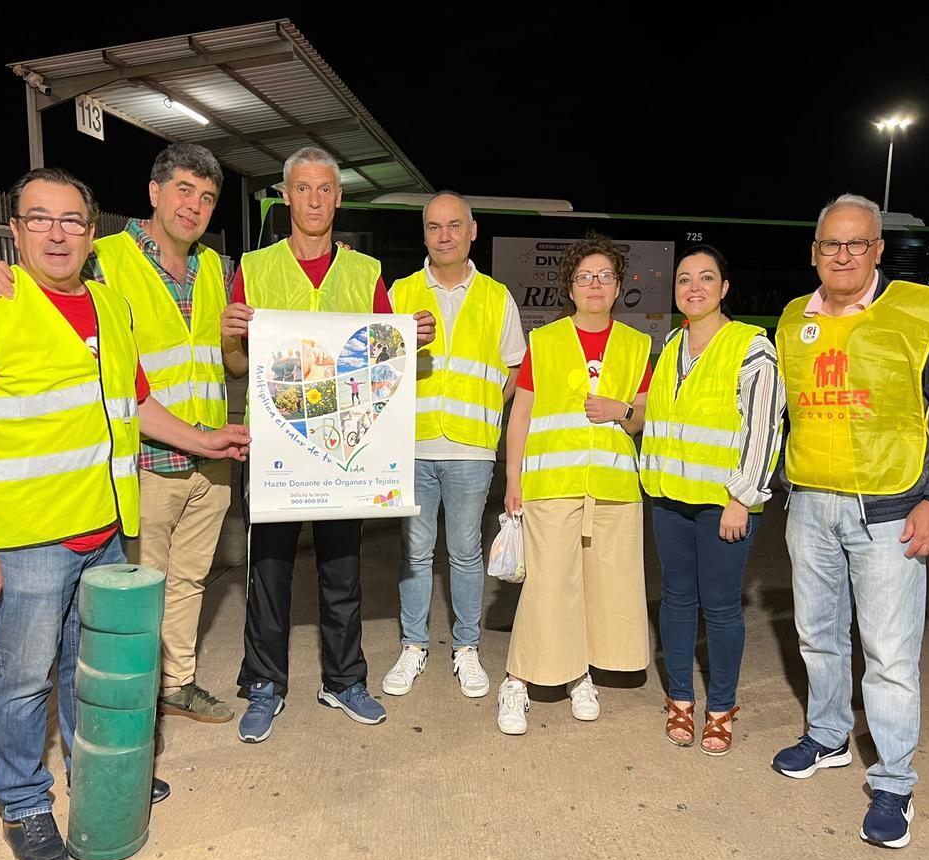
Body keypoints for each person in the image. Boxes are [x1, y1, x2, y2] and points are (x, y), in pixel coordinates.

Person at [0, 168, 249, 860]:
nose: (58, 233)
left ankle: (94, 779)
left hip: (104, 530)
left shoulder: (107, 305)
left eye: (72, 220)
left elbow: (137, 405)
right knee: (21, 679)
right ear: (15, 231)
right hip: (29, 539)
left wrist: (205, 439)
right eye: (40, 219)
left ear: (92, 233)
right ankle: (22, 800)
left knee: (89, 673)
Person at [0, 144, 239, 727]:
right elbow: (42, 286)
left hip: (208, 459)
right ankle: (129, 711)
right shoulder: (103, 256)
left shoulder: (215, 266)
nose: (194, 206)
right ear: (154, 193)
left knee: (189, 583)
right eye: (183, 190)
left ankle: (176, 683)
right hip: (140, 466)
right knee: (128, 608)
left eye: (207, 197)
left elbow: (225, 360)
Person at [771, 193, 929, 848]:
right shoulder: (790, 318)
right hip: (809, 504)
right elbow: (787, 412)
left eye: (855, 243)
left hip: (891, 512)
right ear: (814, 252)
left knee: (889, 655)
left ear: (877, 250)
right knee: (817, 634)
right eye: (830, 244)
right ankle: (829, 737)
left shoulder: (919, 316)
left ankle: (893, 781)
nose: (841, 255)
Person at [221, 146, 435, 742]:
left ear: (338, 198)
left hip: (347, 453)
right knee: (269, 571)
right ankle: (264, 684)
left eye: (324, 189)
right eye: (302, 189)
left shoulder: (367, 274)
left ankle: (343, 681)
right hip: (276, 449)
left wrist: (416, 337)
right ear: (285, 196)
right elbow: (238, 365)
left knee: (343, 570)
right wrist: (230, 337)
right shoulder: (254, 267)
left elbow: (388, 362)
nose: (313, 200)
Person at [497, 233, 652, 735]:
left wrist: (622, 410)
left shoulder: (636, 344)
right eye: (585, 276)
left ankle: (578, 675)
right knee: (547, 584)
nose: (594, 284)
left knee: (601, 586)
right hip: (552, 484)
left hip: (612, 490)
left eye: (604, 276)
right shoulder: (545, 341)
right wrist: (512, 478)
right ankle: (516, 681)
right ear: (570, 286)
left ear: (619, 286)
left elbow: (642, 417)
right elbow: (521, 413)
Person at [639, 245, 785, 755]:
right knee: (677, 599)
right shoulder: (672, 345)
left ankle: (721, 706)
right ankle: (680, 698)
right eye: (683, 279)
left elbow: (765, 428)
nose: (693, 287)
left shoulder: (751, 348)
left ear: (725, 288)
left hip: (724, 503)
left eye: (706, 278)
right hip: (669, 498)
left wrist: (742, 498)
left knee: (721, 606)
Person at [381, 191, 525, 700]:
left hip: (470, 451)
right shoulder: (399, 292)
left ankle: (466, 649)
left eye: (454, 225)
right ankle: (414, 645)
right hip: (413, 446)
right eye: (434, 226)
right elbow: (375, 366)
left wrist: (481, 409)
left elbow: (512, 369)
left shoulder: (495, 296)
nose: (444, 235)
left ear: (472, 231)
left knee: (465, 554)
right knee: (415, 553)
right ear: (424, 234)